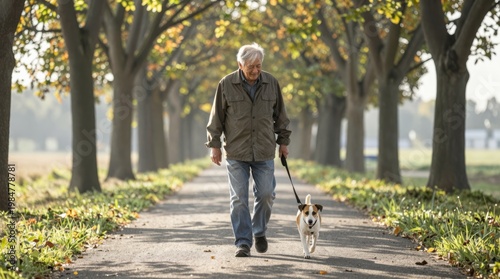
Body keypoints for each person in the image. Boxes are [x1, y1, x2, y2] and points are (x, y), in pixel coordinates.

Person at [206, 43, 291, 257]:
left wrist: (284, 141)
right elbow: (216, 118)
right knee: (239, 199)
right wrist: (214, 145)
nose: (255, 71)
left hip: (263, 150)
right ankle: (243, 242)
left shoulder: (271, 83)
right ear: (240, 64)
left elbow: (281, 115)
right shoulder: (226, 84)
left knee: (265, 195)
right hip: (236, 151)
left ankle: (259, 230)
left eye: (259, 66)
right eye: (250, 66)